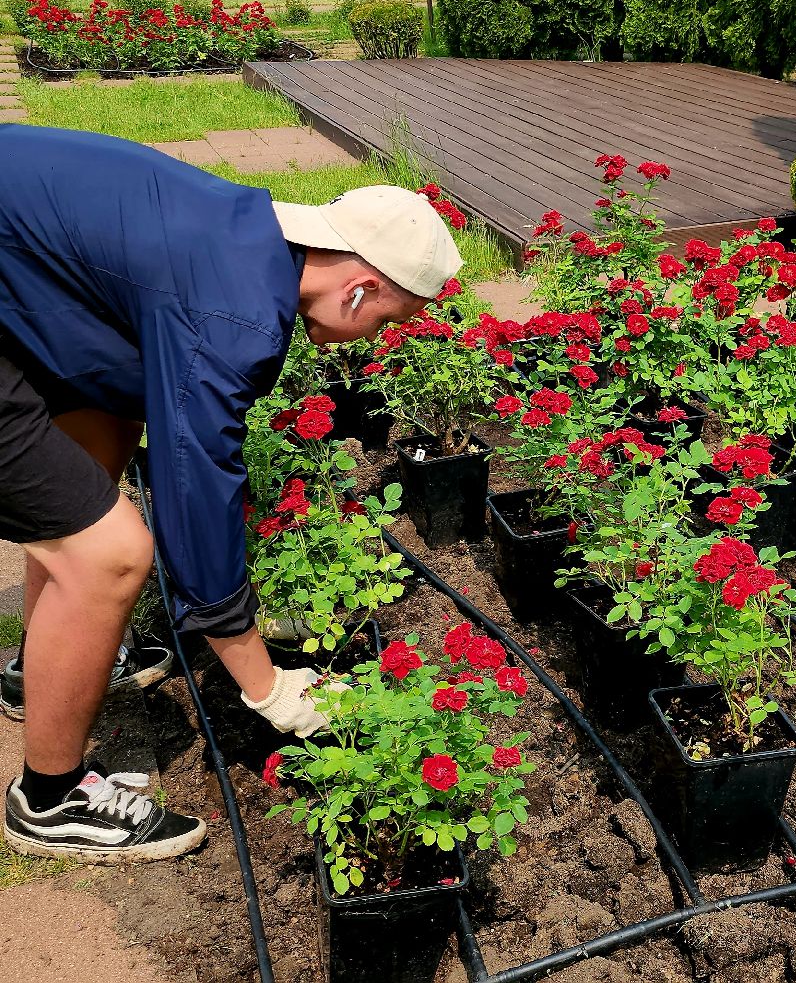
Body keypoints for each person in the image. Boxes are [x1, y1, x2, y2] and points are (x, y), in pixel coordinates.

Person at [0, 125, 464, 862]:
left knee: (107, 423)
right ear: (360, 287)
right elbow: (195, 481)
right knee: (113, 556)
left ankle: (41, 667)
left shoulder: (244, 234)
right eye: (390, 321)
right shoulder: (235, 313)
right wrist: (264, 681)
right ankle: (50, 801)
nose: (379, 337)